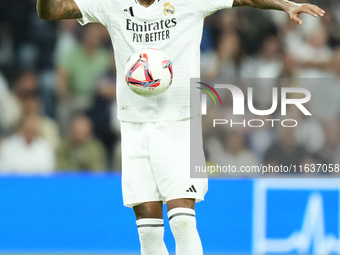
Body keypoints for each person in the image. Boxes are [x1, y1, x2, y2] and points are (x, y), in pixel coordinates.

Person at [36, 0, 324, 254]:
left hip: (179, 123)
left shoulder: (189, 2)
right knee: (148, 232)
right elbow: (54, 10)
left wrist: (285, 4)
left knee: (183, 221)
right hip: (134, 126)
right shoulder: (113, 4)